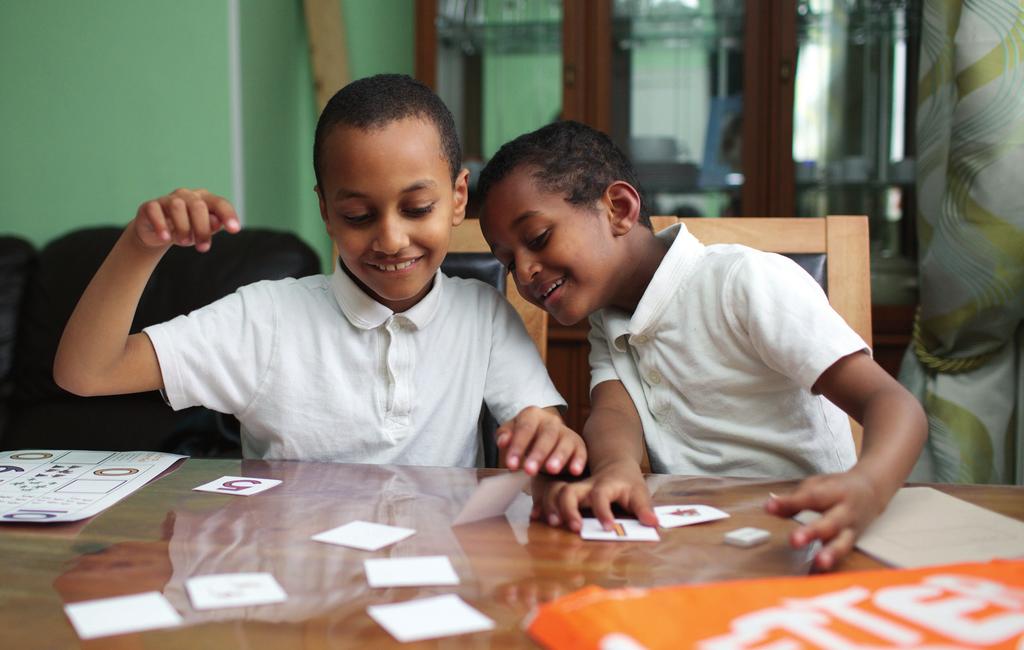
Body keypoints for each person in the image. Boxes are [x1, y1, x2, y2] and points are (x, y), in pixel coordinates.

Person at [53, 74, 584, 476]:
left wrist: (546, 434)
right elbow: (87, 372)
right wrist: (141, 245)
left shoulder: (484, 316)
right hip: (296, 589)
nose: (391, 239)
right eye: (358, 216)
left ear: (457, 199)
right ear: (327, 212)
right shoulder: (265, 319)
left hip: (437, 581)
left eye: (417, 207)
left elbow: (543, 425)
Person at [475, 120, 927, 569]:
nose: (526, 271)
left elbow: (892, 403)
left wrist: (869, 487)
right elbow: (615, 413)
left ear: (618, 208)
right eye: (509, 261)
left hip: (808, 534)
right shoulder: (607, 319)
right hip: (696, 547)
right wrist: (617, 470)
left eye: (537, 238)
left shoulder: (742, 281)